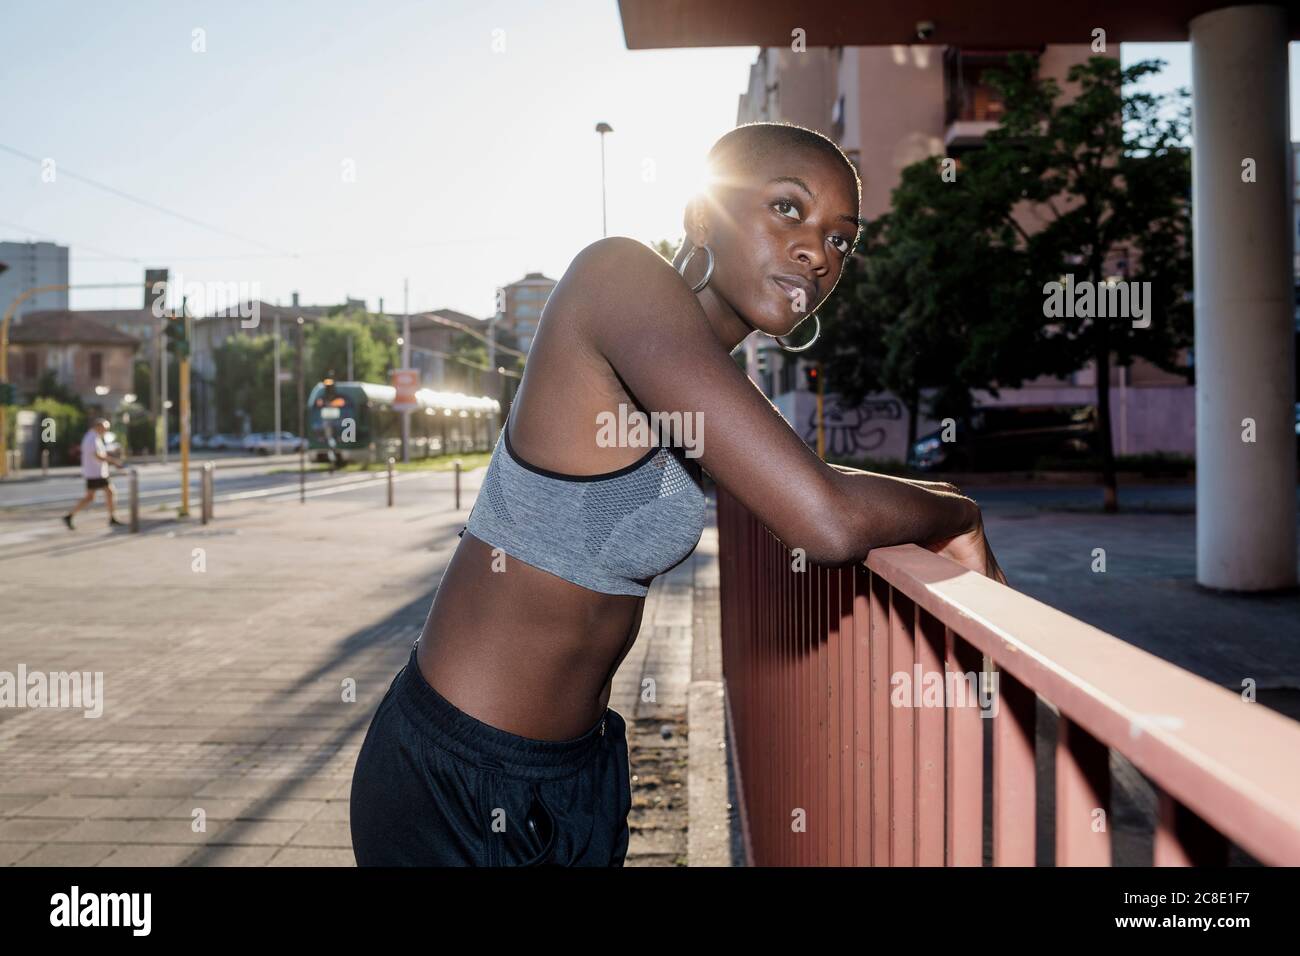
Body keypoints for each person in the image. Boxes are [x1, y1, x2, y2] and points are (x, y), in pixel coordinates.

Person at [349, 121, 1008, 867]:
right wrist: (956, 511)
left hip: (578, 775)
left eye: (842, 240)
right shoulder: (617, 277)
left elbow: (808, 487)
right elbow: (823, 518)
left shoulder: (707, 375)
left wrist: (930, 499)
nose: (818, 254)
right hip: (455, 778)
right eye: (787, 209)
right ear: (702, 215)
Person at [63, 418, 124, 530]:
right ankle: (112, 518)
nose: (106, 431)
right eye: (106, 428)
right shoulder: (91, 439)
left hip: (97, 473)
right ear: (98, 426)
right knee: (106, 493)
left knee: (94, 496)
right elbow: (97, 455)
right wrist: (114, 461)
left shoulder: (94, 438)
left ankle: (70, 515)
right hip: (95, 473)